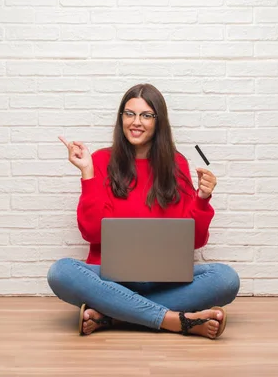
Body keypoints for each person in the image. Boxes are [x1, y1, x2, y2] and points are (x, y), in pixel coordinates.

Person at [47, 83, 240, 339]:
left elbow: (194, 241)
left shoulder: (177, 163)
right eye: (129, 114)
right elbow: (91, 232)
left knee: (226, 279)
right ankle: (172, 320)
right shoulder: (101, 161)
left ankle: (114, 315)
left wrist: (202, 200)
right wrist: (87, 173)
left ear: (158, 122)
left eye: (146, 115)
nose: (136, 122)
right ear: (121, 118)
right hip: (110, 278)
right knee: (61, 272)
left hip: (165, 279)